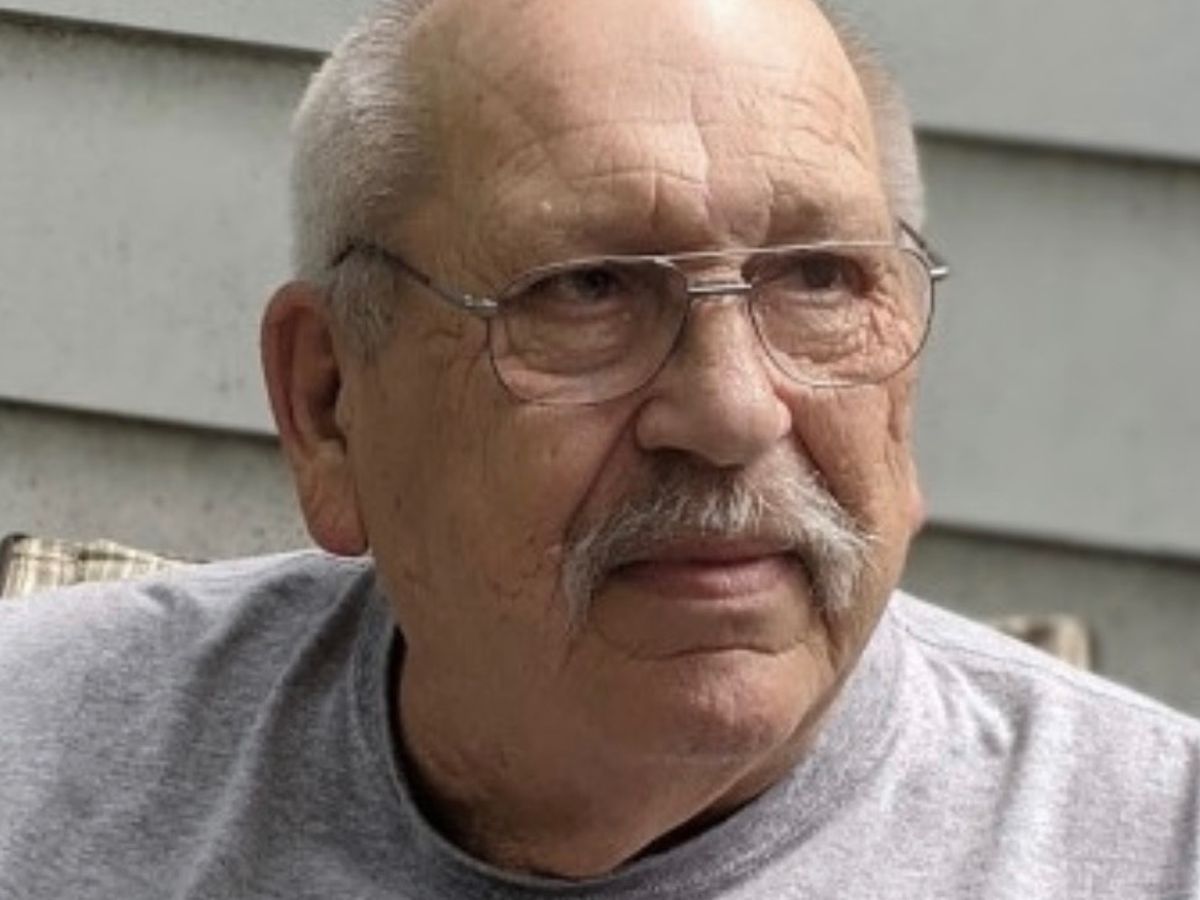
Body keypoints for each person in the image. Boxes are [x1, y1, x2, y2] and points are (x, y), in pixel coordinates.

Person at [1, 0, 1197, 896]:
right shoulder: (35, 756)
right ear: (330, 406)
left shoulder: (1152, 849)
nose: (733, 413)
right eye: (586, 287)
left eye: (819, 280)